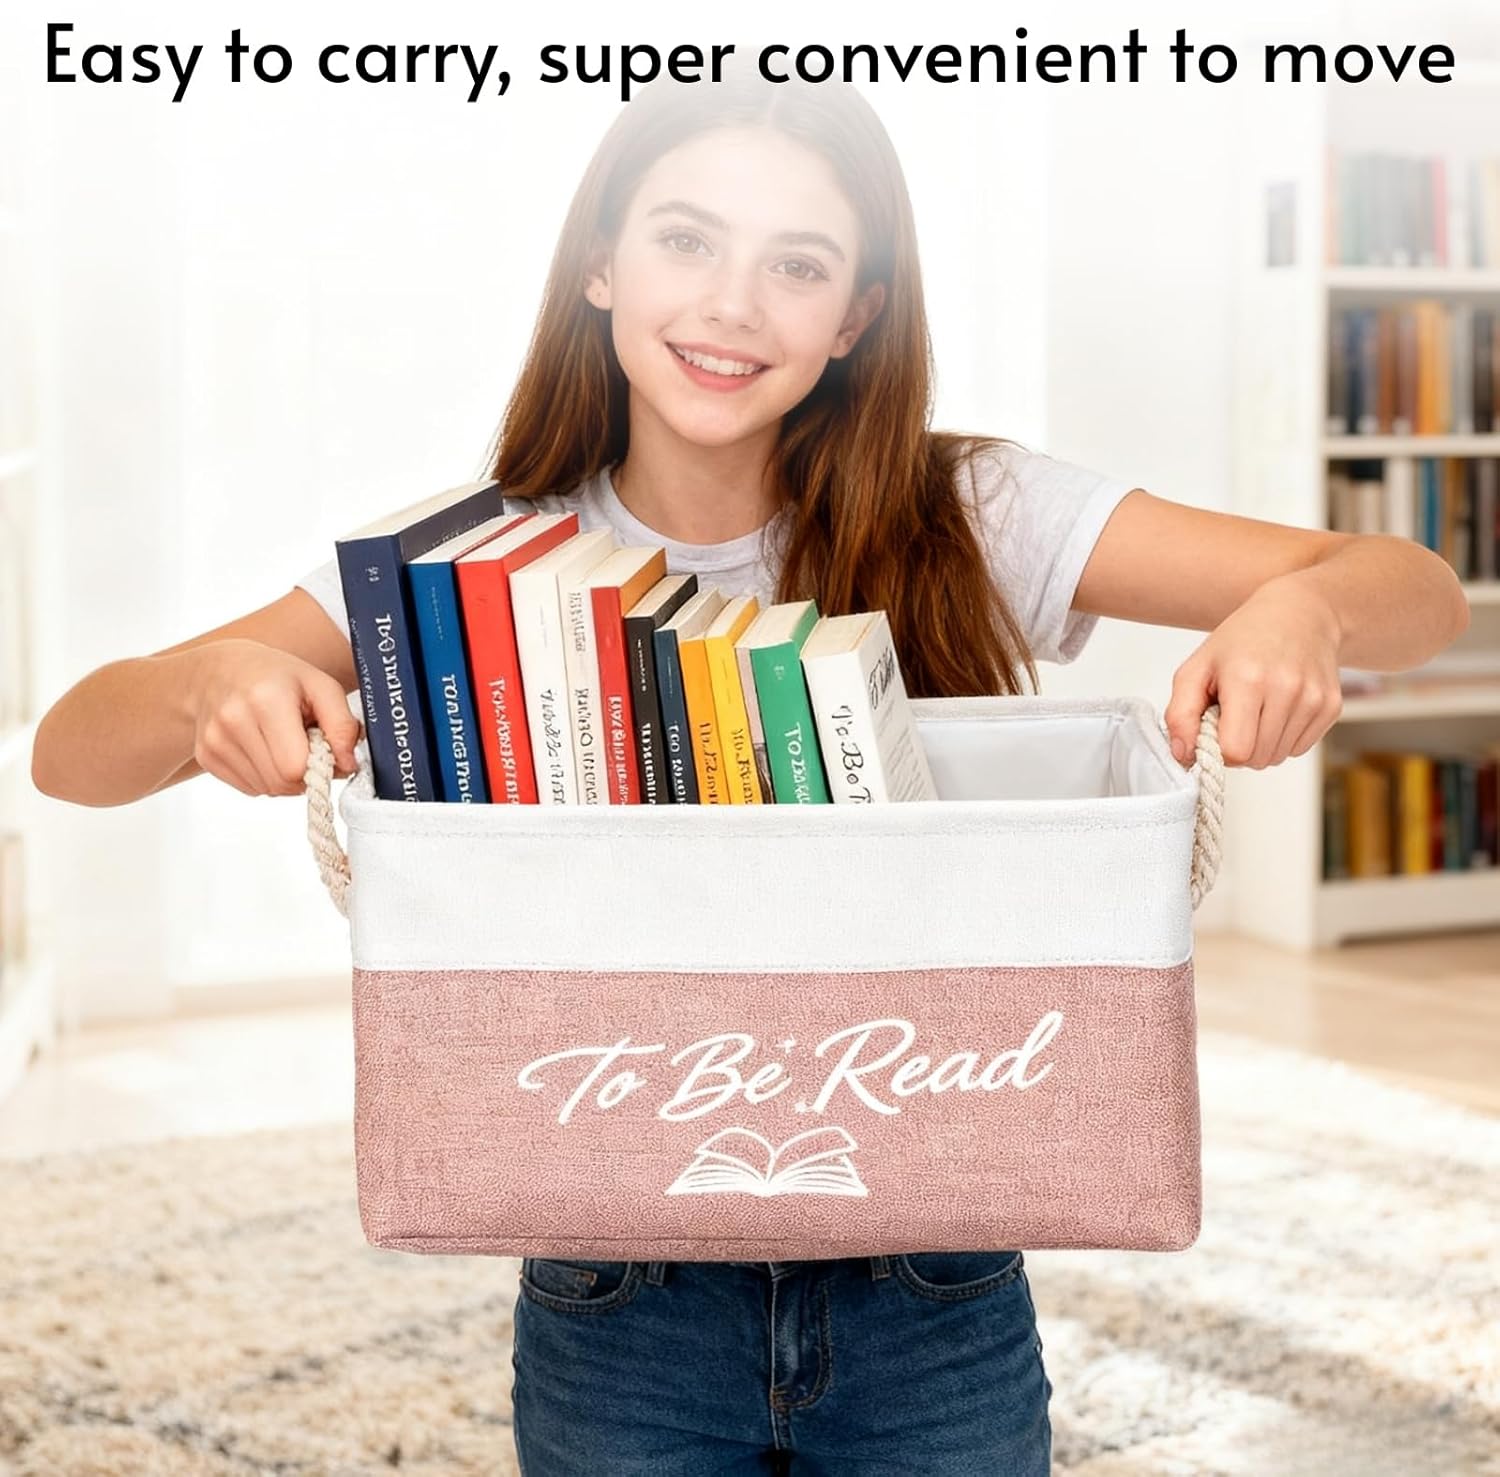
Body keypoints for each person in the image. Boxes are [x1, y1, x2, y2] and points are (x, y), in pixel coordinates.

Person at [31, 59, 1468, 1477]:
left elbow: (1414, 582)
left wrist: (1308, 605)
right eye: (684, 238)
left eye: (797, 263)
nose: (731, 303)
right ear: (601, 263)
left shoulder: (972, 508)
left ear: (854, 316)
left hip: (938, 1281)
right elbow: (74, 748)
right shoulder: (461, 570)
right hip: (617, 1292)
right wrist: (210, 684)